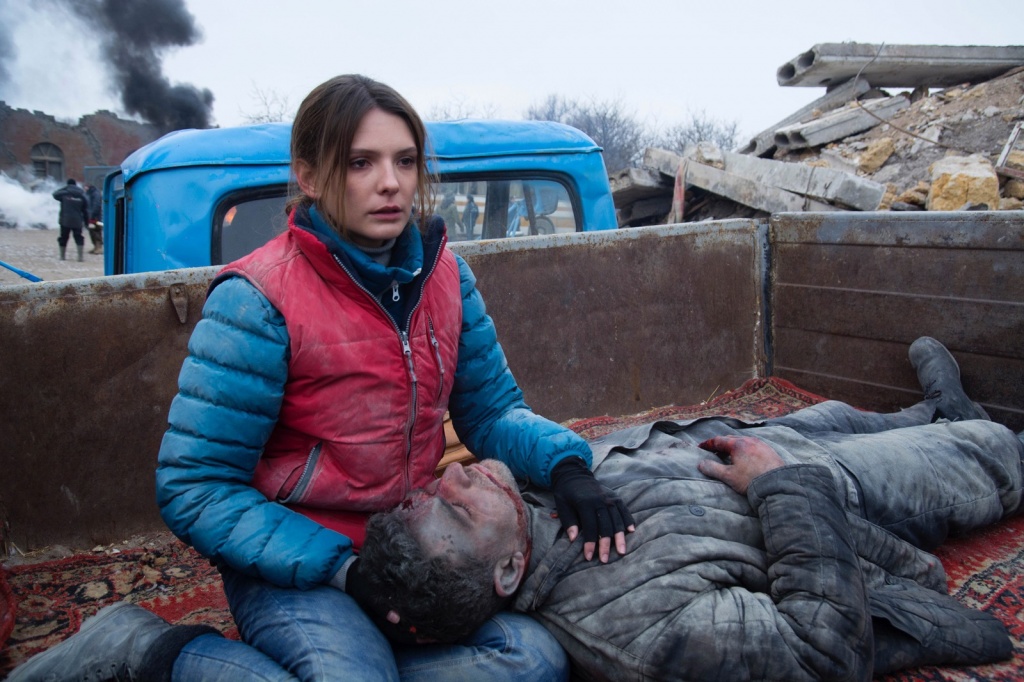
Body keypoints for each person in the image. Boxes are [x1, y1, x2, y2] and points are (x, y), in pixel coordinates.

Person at [8, 74, 633, 682]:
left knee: (531, 658)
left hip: (409, 545)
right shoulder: (257, 300)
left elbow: (491, 412)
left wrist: (567, 467)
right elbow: (195, 486)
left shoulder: (446, 276)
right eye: (361, 163)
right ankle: (144, 649)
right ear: (309, 176)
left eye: (405, 161)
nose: (391, 183)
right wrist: (344, 572)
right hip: (293, 557)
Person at [355, 337, 1021, 680]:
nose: (456, 475)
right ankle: (965, 426)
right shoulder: (632, 631)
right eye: (460, 511)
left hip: (756, 436)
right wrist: (782, 486)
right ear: (505, 573)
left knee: (860, 415)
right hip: (833, 493)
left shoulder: (524, 501)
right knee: (990, 450)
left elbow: (504, 418)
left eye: (432, 492)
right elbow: (821, 657)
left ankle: (938, 408)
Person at [51, 178, 88, 262]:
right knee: (78, 237)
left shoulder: (64, 194)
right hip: (77, 221)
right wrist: (86, 223)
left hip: (65, 220)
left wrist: (66, 188)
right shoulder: (81, 195)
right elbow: (85, 210)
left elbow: (54, 194)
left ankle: (62, 256)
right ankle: (80, 257)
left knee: (63, 237)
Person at [84, 182, 103, 255]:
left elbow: (96, 205)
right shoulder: (89, 194)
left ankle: (99, 247)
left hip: (96, 218)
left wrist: (92, 215)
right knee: (92, 231)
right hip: (91, 217)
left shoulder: (95, 194)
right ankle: (95, 246)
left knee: (96, 231)